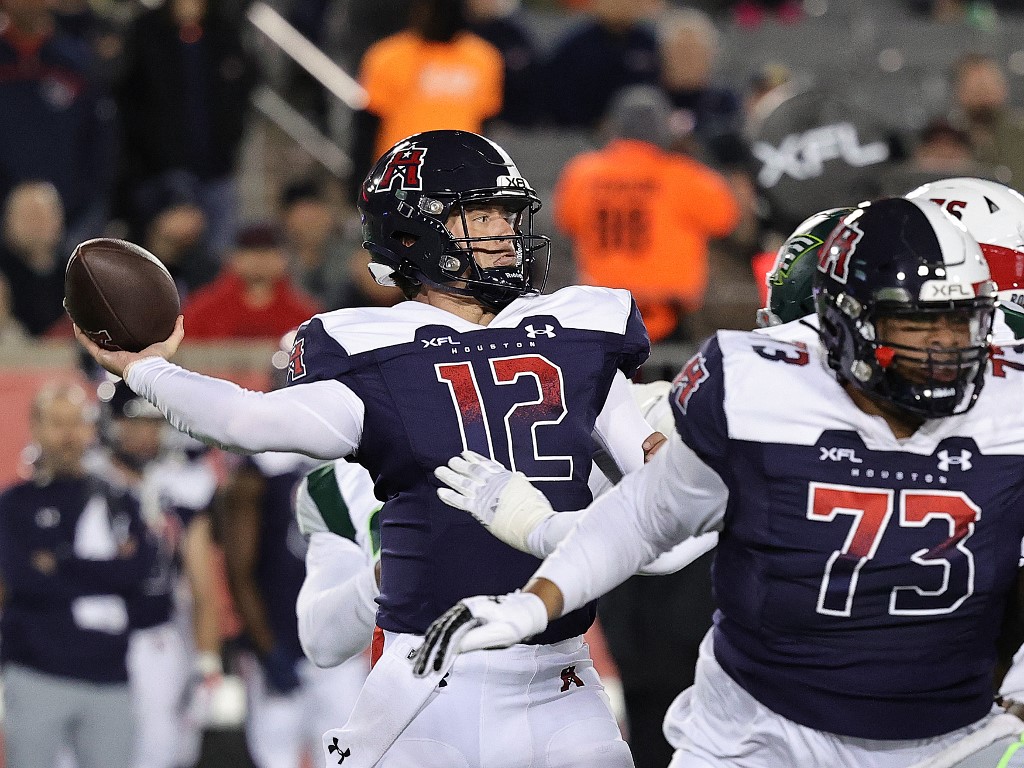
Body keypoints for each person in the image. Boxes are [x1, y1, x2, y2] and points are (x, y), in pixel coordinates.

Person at [74, 129, 664, 768]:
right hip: (429, 684)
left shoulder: (581, 329)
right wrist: (147, 370)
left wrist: (683, 458)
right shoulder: (368, 346)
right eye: (478, 215)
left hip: (561, 677)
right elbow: (247, 421)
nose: (501, 231)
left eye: (506, 213)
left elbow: (660, 508)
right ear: (412, 234)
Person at [416, 196, 1024, 767]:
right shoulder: (757, 393)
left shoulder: (1010, 400)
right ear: (840, 324)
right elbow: (648, 520)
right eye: (915, 326)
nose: (945, 350)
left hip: (948, 737)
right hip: (763, 733)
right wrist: (535, 600)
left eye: (961, 322)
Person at [0, 382, 156, 768]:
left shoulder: (121, 499)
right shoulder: (14, 504)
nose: (69, 435)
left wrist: (61, 562)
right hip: (36, 674)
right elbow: (23, 581)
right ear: (35, 428)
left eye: (77, 423)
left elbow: (138, 575)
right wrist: (105, 575)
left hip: (111, 677)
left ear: (92, 427)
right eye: (57, 423)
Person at [94, 380, 224, 768]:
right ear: (110, 423)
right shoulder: (86, 479)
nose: (143, 434)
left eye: (152, 423)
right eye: (132, 423)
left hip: (156, 637)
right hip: (88, 635)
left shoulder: (180, 486)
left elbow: (202, 583)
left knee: (160, 748)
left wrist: (208, 662)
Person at [553, 85, 739, 342]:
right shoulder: (686, 176)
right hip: (670, 315)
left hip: (600, 315)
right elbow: (726, 219)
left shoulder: (581, 173)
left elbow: (566, 222)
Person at [219, 448, 369, 768]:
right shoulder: (259, 467)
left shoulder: (354, 455)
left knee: (346, 759)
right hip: (282, 639)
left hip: (341, 644)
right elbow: (239, 568)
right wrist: (266, 645)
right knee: (276, 757)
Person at [183, 223, 323, 340]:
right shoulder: (202, 310)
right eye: (251, 252)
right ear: (233, 258)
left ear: (284, 260)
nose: (259, 260)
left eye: (267, 252)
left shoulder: (304, 314)